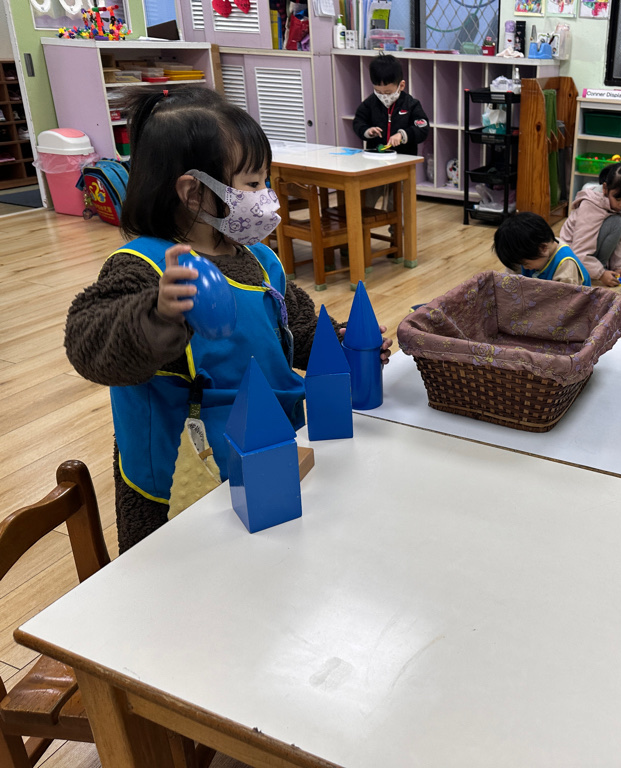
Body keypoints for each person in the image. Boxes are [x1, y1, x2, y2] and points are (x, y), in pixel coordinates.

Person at [64, 86, 392, 553]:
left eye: (265, 181)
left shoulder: (258, 258)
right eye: (253, 184)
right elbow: (89, 345)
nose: (266, 197)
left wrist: (336, 343)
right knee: (197, 578)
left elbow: (294, 325)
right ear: (193, 191)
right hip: (185, 479)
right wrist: (157, 314)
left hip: (273, 447)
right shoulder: (147, 267)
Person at [559, 161, 621, 287]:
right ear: (605, 188)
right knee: (617, 223)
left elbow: (620, 242)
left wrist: (619, 267)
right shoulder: (591, 205)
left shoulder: (617, 205)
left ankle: (599, 268)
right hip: (572, 257)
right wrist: (601, 274)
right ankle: (596, 269)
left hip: (590, 251)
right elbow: (579, 251)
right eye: (618, 199)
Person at [353, 53, 430, 155]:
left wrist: (402, 135)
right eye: (378, 92)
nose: (383, 96)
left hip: (404, 158)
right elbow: (358, 122)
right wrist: (367, 131)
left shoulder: (411, 104)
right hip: (376, 156)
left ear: (401, 86)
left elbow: (423, 129)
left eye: (388, 92)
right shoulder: (370, 103)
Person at [494, 211, 590, 286]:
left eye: (526, 264)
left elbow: (566, 300)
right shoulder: (528, 251)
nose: (524, 268)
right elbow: (511, 281)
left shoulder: (565, 265)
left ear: (543, 248)